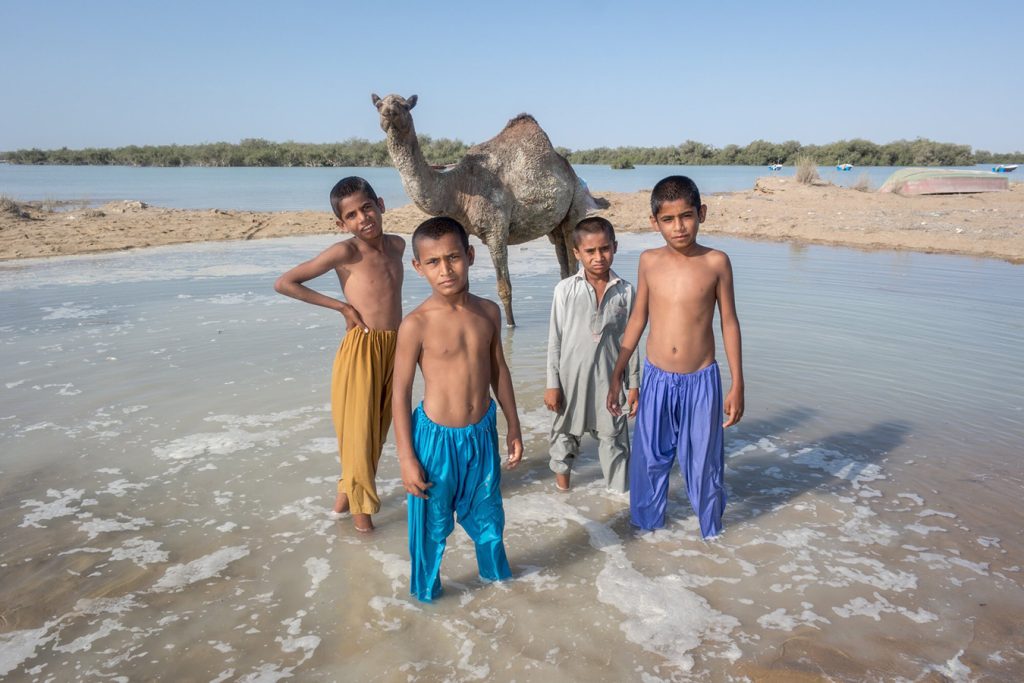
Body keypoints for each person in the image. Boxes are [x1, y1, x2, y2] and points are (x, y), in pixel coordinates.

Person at [392, 216, 523, 603]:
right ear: (418, 267)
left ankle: (504, 595)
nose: (445, 269)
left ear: (469, 255)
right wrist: (405, 458)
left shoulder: (488, 312)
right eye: (433, 262)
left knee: (490, 524)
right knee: (430, 534)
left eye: (453, 258)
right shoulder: (415, 324)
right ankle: (427, 601)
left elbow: (499, 371)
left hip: (481, 434)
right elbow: (399, 392)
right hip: (434, 441)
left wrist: (513, 425)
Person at [607, 175, 744, 538]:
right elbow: (638, 317)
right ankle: (647, 536)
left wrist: (737, 383)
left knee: (703, 465)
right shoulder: (649, 261)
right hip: (656, 378)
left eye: (686, 216)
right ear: (654, 222)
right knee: (650, 461)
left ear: (702, 213)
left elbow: (729, 322)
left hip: (701, 380)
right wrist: (620, 369)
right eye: (668, 219)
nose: (678, 227)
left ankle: (711, 537)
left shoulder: (717, 262)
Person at [274, 176, 405, 533]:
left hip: (394, 347)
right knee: (358, 438)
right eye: (351, 215)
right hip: (361, 350)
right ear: (341, 223)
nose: (363, 218)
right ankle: (365, 532)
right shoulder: (344, 252)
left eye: (366, 208)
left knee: (375, 436)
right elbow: (285, 282)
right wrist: (342, 308)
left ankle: (338, 512)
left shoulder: (398, 245)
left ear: (380, 204)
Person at [545, 216, 640, 493]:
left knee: (615, 442)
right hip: (570, 382)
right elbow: (555, 339)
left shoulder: (625, 291)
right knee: (563, 439)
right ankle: (564, 498)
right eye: (590, 251)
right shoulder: (565, 289)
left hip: (609, 382)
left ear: (615, 247)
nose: (598, 257)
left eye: (605, 249)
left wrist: (633, 384)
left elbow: (630, 341)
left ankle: (619, 503)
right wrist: (552, 384)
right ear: (577, 253)